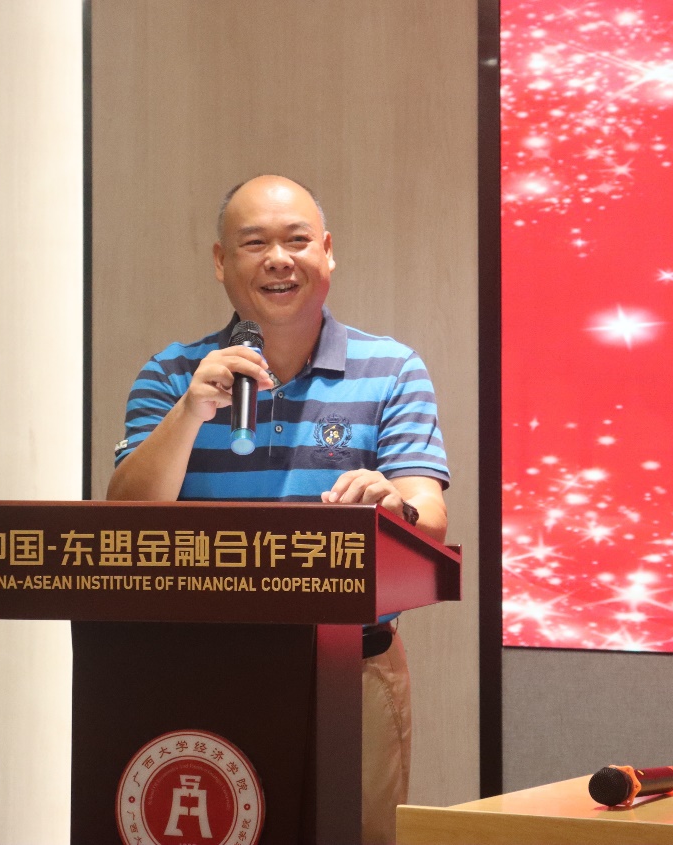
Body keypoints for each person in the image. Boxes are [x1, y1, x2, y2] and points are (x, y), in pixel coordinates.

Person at [107, 174, 450, 844]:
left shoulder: (391, 369)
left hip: (350, 666)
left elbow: (428, 513)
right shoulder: (172, 374)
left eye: (296, 241)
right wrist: (189, 414)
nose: (278, 260)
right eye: (254, 243)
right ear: (220, 261)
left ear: (328, 251)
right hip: (196, 662)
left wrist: (394, 504)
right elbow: (125, 516)